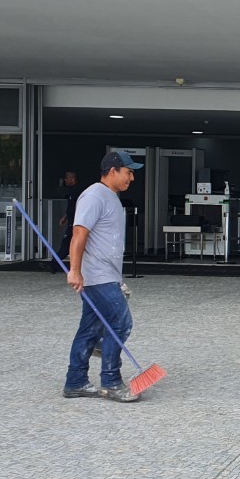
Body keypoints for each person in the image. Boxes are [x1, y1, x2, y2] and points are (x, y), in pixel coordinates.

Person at [61, 150, 144, 403]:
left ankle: (75, 381)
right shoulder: (94, 195)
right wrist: (74, 270)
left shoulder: (111, 197)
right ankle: (111, 381)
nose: (132, 178)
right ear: (113, 170)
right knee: (121, 323)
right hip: (97, 275)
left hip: (106, 274)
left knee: (90, 327)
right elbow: (78, 233)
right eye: (128, 172)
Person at [49, 170, 79, 273]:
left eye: (67, 178)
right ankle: (54, 264)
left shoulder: (77, 191)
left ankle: (53, 265)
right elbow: (71, 207)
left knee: (65, 246)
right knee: (67, 246)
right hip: (72, 221)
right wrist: (65, 216)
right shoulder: (71, 191)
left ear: (72, 179)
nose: (66, 180)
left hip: (75, 223)